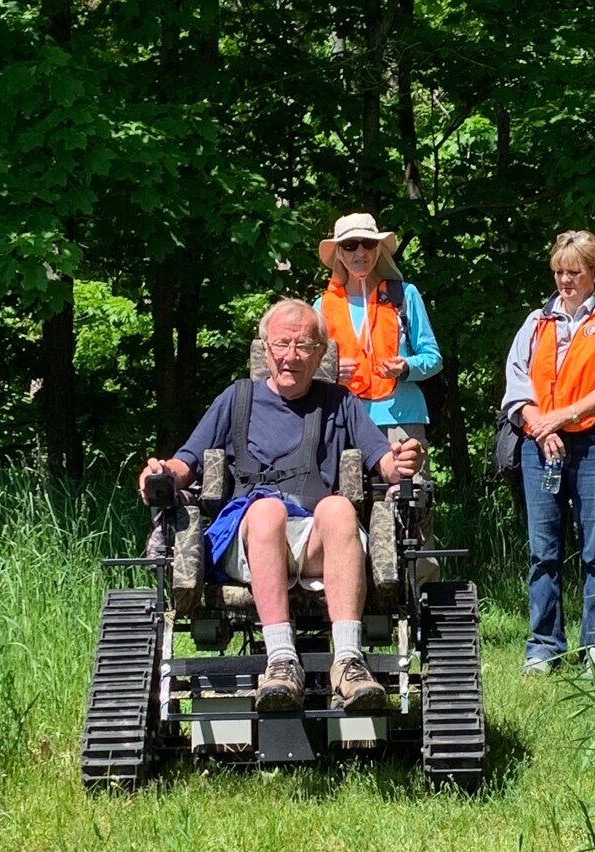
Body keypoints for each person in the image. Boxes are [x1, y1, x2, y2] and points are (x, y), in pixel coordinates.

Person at [138, 298, 423, 713]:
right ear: (265, 349)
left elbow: (385, 463)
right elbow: (186, 463)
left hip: (314, 543)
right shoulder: (235, 399)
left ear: (321, 353)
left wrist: (402, 462)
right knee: (267, 510)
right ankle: (281, 661)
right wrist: (160, 472)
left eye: (304, 346)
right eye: (282, 344)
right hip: (248, 540)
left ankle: (347, 661)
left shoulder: (340, 403)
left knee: (340, 508)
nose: (291, 356)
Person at [502, 230, 595, 676]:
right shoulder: (535, 322)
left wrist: (559, 418)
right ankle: (543, 646)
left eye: (574, 272)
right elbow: (516, 387)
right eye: (559, 272)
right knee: (544, 551)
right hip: (541, 445)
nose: (565, 280)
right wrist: (540, 428)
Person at [317, 213, 442, 583]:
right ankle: (345, 582)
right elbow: (301, 368)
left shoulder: (404, 295)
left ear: (378, 249)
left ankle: (420, 587)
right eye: (350, 246)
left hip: (400, 418)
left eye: (368, 244)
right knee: (346, 502)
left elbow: (433, 357)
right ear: (338, 253)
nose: (360, 253)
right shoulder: (321, 305)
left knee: (412, 500)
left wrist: (406, 366)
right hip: (342, 419)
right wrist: (328, 373)